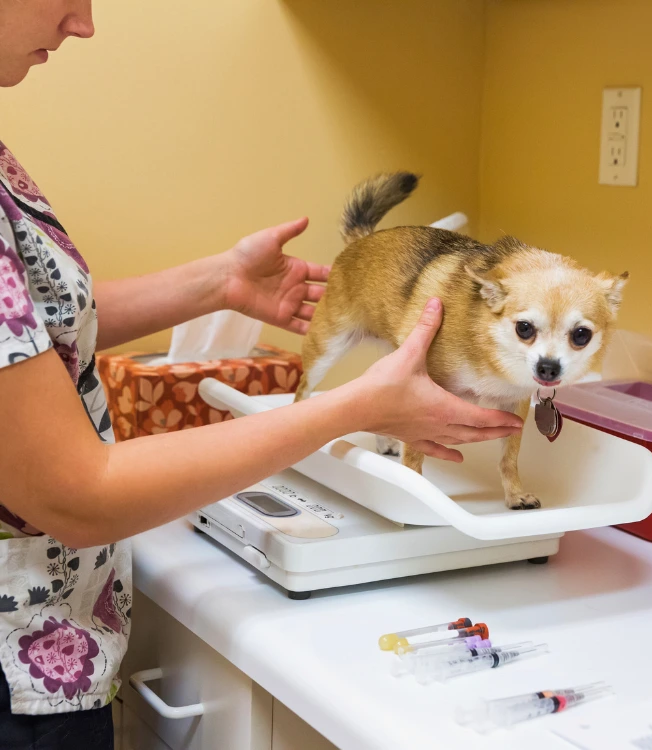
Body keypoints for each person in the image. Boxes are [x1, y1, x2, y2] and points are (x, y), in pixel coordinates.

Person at [0, 2, 523, 747]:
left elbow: (30, 328)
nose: (83, 23)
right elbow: (75, 495)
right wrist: (350, 409)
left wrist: (215, 283)